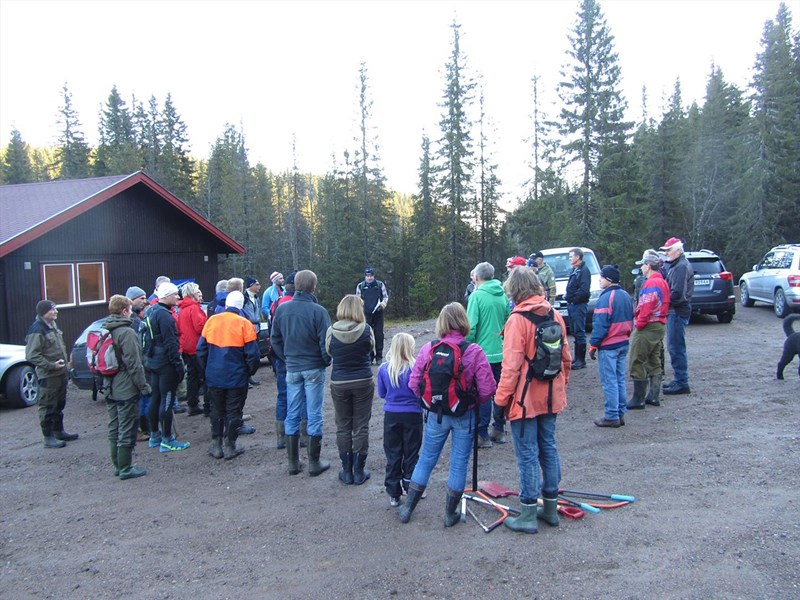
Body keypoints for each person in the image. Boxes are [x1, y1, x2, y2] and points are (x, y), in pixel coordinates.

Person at [398, 302, 496, 527]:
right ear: (464, 322)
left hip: (435, 414)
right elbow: (487, 389)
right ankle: (449, 514)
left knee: (426, 459)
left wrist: (429, 403)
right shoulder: (474, 351)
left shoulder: (428, 349)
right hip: (465, 414)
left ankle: (407, 509)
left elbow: (414, 384)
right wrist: (474, 403)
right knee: (459, 462)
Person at [494, 268, 570, 534]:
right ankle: (550, 509)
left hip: (526, 401)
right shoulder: (554, 314)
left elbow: (511, 367)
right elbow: (565, 359)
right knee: (548, 448)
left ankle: (527, 512)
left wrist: (500, 402)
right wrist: (561, 387)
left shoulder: (517, 320)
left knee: (527, 455)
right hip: (551, 397)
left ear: (514, 290)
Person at [270, 270, 332, 476]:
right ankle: (314, 463)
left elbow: (275, 339)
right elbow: (326, 342)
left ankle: (293, 463)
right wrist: (325, 360)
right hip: (312, 367)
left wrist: (286, 359)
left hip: (293, 368)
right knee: (314, 413)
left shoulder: (282, 309)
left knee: (292, 413)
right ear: (313, 286)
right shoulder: (318, 311)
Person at [196, 290, 260, 460]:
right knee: (234, 410)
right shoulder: (244, 324)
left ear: (226, 304)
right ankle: (230, 445)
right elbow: (253, 355)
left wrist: (207, 370)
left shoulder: (212, 321)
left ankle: (216, 445)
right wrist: (249, 372)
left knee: (217, 410)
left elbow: (200, 350)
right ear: (240, 307)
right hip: (236, 377)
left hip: (214, 375)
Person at [325, 294, 376, 485]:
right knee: (361, 425)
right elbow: (372, 349)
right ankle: (359, 470)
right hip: (363, 380)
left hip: (339, 382)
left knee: (343, 425)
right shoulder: (366, 329)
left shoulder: (331, 330)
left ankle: (346, 471)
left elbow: (329, 352)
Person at [100, 295, 152, 479]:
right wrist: (143, 385)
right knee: (127, 426)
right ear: (124, 311)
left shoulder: (106, 329)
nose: (131, 313)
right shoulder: (127, 332)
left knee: (114, 426)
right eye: (129, 310)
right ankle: (125, 468)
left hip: (109, 385)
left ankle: (117, 465)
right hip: (125, 387)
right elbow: (134, 364)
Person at [465, 261, 510, 447]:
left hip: (482, 355)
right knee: (499, 392)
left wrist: (466, 349)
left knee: (483, 394)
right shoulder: (503, 295)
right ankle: (498, 429)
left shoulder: (476, 296)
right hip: (502, 351)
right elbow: (508, 321)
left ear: (476, 276)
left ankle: (482, 434)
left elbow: (470, 327)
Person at [378, 333, 423, 507]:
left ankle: (393, 492)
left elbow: (382, 393)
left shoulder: (384, 369)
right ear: (410, 348)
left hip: (391, 415)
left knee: (393, 453)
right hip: (413, 415)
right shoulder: (416, 368)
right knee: (411, 453)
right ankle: (411, 487)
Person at [25, 300, 77, 448]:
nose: (56, 312)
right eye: (53, 309)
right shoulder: (37, 330)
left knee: (59, 404)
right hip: (48, 376)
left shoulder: (52, 326)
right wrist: (50, 366)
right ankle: (48, 437)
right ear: (44, 312)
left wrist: (66, 366)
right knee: (47, 406)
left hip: (60, 373)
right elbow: (31, 355)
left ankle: (59, 432)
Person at [145, 282, 189, 453]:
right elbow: (171, 343)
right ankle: (167, 440)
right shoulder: (165, 316)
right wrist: (178, 366)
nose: (178, 297)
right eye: (175, 295)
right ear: (167, 296)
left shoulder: (151, 311)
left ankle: (154, 436)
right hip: (166, 363)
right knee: (167, 400)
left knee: (155, 398)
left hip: (154, 360)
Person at [588, 265, 633, 427]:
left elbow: (600, 325)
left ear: (609, 279)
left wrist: (593, 345)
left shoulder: (606, 298)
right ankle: (620, 413)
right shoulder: (626, 296)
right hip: (623, 343)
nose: (599, 280)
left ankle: (611, 415)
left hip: (609, 345)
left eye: (602, 277)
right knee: (619, 379)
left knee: (609, 381)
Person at [628, 249, 671, 409]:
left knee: (637, 359)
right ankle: (653, 395)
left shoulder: (652, 282)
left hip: (648, 326)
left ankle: (638, 399)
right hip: (658, 325)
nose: (641, 268)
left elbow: (646, 305)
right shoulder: (662, 281)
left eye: (643, 265)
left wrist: (639, 323)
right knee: (654, 359)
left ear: (648, 265)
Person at [271, 271, 308, 450]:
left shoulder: (277, 302)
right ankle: (303, 435)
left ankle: (282, 437)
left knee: (283, 395)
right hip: (297, 358)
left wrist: (281, 355)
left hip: (282, 357)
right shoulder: (300, 303)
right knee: (303, 396)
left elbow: (273, 335)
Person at [660, 237, 694, 395]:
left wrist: (663, 303)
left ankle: (681, 381)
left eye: (669, 250)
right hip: (676, 310)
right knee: (675, 346)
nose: (666, 253)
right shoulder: (677, 265)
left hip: (677, 310)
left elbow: (677, 293)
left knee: (676, 347)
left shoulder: (680, 266)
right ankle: (679, 379)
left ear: (678, 250)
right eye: (666, 250)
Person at [176, 282, 207, 417]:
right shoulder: (194, 308)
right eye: (198, 291)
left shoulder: (182, 308)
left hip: (187, 347)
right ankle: (208, 406)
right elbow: (200, 327)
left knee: (192, 377)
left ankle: (192, 404)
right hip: (196, 347)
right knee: (205, 376)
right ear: (193, 293)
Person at [126, 285, 151, 438]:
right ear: (131, 300)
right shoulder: (131, 322)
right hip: (135, 366)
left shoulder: (137, 319)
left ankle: (144, 427)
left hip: (141, 364)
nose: (145, 301)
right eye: (141, 298)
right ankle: (139, 429)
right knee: (139, 397)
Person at [565, 247, 591, 370]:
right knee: (574, 332)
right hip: (572, 305)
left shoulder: (584, 271)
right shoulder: (575, 270)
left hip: (578, 305)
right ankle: (576, 358)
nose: (570, 259)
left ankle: (581, 360)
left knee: (580, 332)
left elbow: (584, 291)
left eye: (571, 256)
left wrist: (573, 299)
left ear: (577, 257)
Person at [356, 268, 389, 364]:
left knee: (379, 335)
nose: (369, 278)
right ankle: (370, 357)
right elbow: (358, 300)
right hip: (366, 314)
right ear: (365, 276)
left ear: (374, 276)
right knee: (367, 335)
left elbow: (385, 297)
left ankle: (379, 356)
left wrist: (383, 305)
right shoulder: (360, 286)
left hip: (378, 313)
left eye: (371, 276)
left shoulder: (379, 284)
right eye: (367, 276)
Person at [242, 276, 263, 386]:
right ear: (251, 285)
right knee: (247, 353)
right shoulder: (243, 298)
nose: (259, 286)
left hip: (256, 328)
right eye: (257, 284)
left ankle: (250, 376)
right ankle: (245, 377)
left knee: (254, 352)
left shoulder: (256, 298)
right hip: (247, 328)